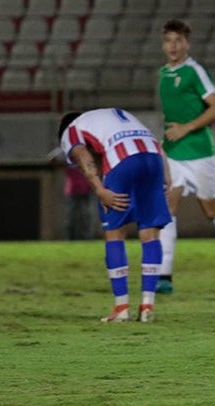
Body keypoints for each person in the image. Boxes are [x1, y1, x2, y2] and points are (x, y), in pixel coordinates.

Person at [154, 18, 215, 295]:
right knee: (166, 210)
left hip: (200, 153)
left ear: (187, 43)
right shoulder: (163, 73)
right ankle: (165, 276)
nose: (173, 46)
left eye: (178, 40)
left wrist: (185, 128)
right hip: (173, 153)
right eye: (168, 40)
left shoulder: (195, 71)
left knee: (211, 211)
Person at [58, 108, 172, 322]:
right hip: (153, 157)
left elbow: (83, 157)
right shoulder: (119, 116)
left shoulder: (71, 130)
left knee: (115, 233)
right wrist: (167, 176)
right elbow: (155, 141)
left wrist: (100, 190)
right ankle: (147, 306)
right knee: (150, 233)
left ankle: (121, 308)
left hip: (123, 160)